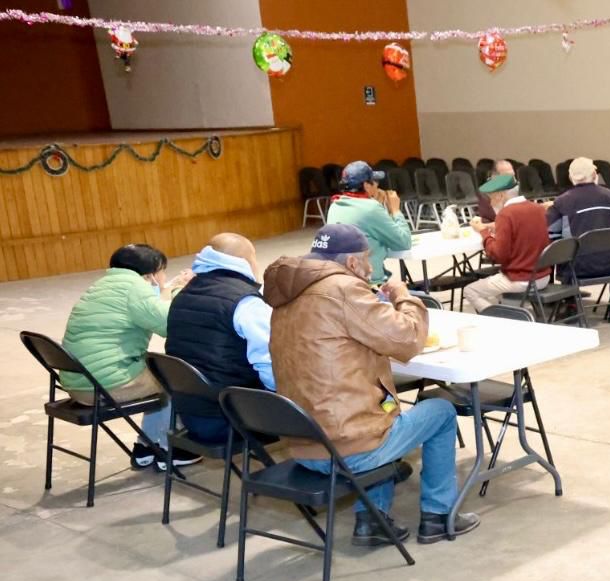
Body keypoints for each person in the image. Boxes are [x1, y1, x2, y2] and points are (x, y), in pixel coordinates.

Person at [264, 224, 479, 545]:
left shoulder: (288, 293)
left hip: (302, 441)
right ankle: (438, 515)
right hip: (346, 448)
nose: (369, 267)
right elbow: (406, 339)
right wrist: (405, 298)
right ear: (351, 263)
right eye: (366, 259)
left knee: (386, 408)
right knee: (440, 412)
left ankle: (372, 521)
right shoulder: (343, 289)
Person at [59, 244, 197, 470]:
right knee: (173, 374)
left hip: (78, 382)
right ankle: (169, 448)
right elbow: (169, 323)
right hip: (107, 386)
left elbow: (148, 306)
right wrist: (181, 290)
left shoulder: (104, 285)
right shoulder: (135, 289)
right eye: (162, 271)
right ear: (152, 274)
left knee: (152, 371)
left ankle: (146, 447)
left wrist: (168, 288)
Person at [165, 233, 274, 443]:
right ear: (246, 261)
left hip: (191, 415)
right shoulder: (246, 303)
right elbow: (269, 364)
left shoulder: (183, 295)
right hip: (235, 419)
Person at [545, 157, 610, 321]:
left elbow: (552, 237)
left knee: (565, 253)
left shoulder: (561, 202)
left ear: (571, 178)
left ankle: (571, 306)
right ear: (595, 175)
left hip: (576, 267)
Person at [464, 175, 551, 313]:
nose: (491, 203)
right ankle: (510, 310)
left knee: (470, 290)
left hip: (521, 279)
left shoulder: (506, 214)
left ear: (501, 195)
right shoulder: (538, 208)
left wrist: (483, 232)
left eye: (491, 198)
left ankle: (502, 317)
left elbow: (498, 255)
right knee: (498, 291)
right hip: (543, 276)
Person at [326, 160, 412, 285]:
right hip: (369, 282)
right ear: (366, 186)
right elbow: (404, 242)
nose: (377, 185)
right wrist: (395, 210)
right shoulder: (371, 208)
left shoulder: (335, 205)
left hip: (343, 281)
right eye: (374, 181)